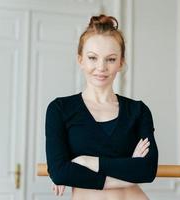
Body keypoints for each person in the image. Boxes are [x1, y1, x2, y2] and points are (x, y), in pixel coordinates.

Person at [45, 14, 159, 200]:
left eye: (111, 59)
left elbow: (147, 170)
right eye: (92, 58)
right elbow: (60, 173)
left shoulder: (138, 111)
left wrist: (86, 161)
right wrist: (128, 169)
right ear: (80, 59)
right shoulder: (60, 109)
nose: (101, 67)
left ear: (121, 62)